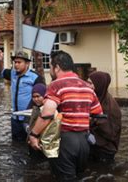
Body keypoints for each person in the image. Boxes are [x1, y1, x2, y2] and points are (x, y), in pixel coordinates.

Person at [29, 50, 103, 181]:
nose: (51, 70)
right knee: (79, 177)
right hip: (84, 142)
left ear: (57, 67)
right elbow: (98, 114)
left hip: (65, 142)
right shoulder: (87, 86)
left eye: (51, 67)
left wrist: (34, 135)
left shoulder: (56, 85)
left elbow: (47, 113)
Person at [0, 50, 45, 141]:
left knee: (30, 143)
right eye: (15, 62)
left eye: (19, 62)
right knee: (16, 145)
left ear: (27, 64)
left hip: (29, 119)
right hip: (15, 118)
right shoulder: (12, 74)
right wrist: (0, 60)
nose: (16, 65)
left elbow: (42, 97)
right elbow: (2, 72)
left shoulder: (35, 77)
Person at [88, 71, 122, 163]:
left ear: (99, 84)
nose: (89, 86)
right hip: (96, 149)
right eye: (88, 83)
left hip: (104, 152)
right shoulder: (99, 99)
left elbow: (108, 132)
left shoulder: (110, 107)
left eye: (91, 83)